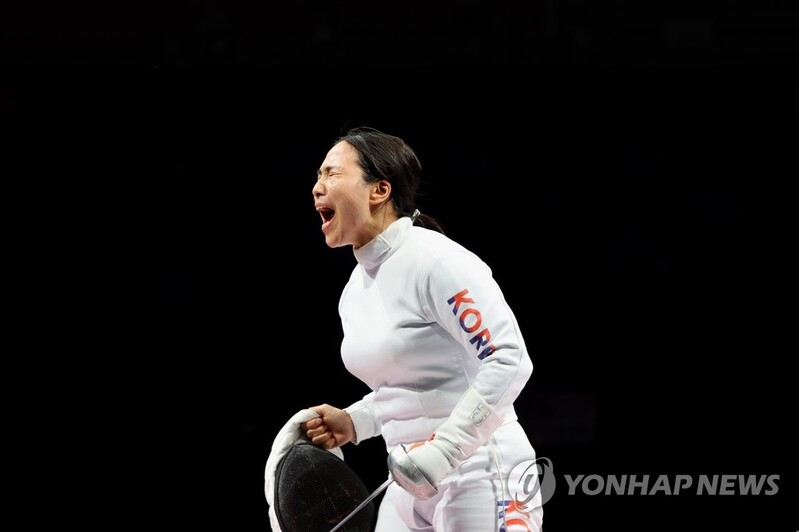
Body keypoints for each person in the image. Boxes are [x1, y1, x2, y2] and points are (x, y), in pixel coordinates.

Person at [301, 126, 543, 531]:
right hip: (409, 476)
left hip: (482, 467)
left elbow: (508, 358)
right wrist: (356, 421)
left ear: (379, 190)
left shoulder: (435, 261)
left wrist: (447, 449)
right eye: (317, 176)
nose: (316, 187)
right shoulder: (354, 291)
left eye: (331, 174)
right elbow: (412, 386)